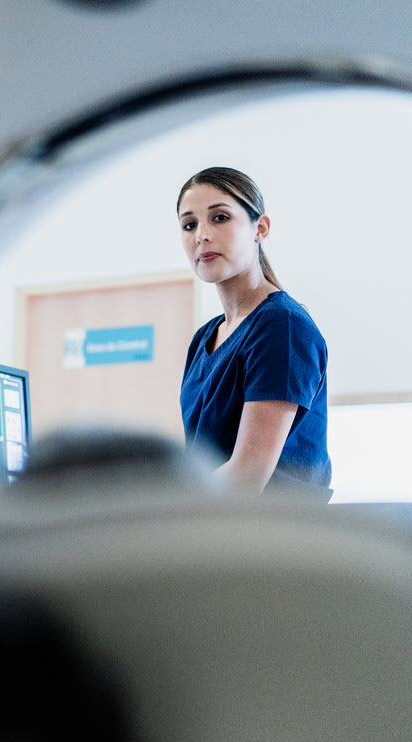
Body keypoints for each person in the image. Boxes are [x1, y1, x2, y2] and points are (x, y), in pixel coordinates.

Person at [177, 167, 332, 499]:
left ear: (259, 228)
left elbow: (246, 476)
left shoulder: (282, 327)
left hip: (273, 537)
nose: (201, 235)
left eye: (219, 218)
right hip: (215, 530)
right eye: (189, 225)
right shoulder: (205, 338)